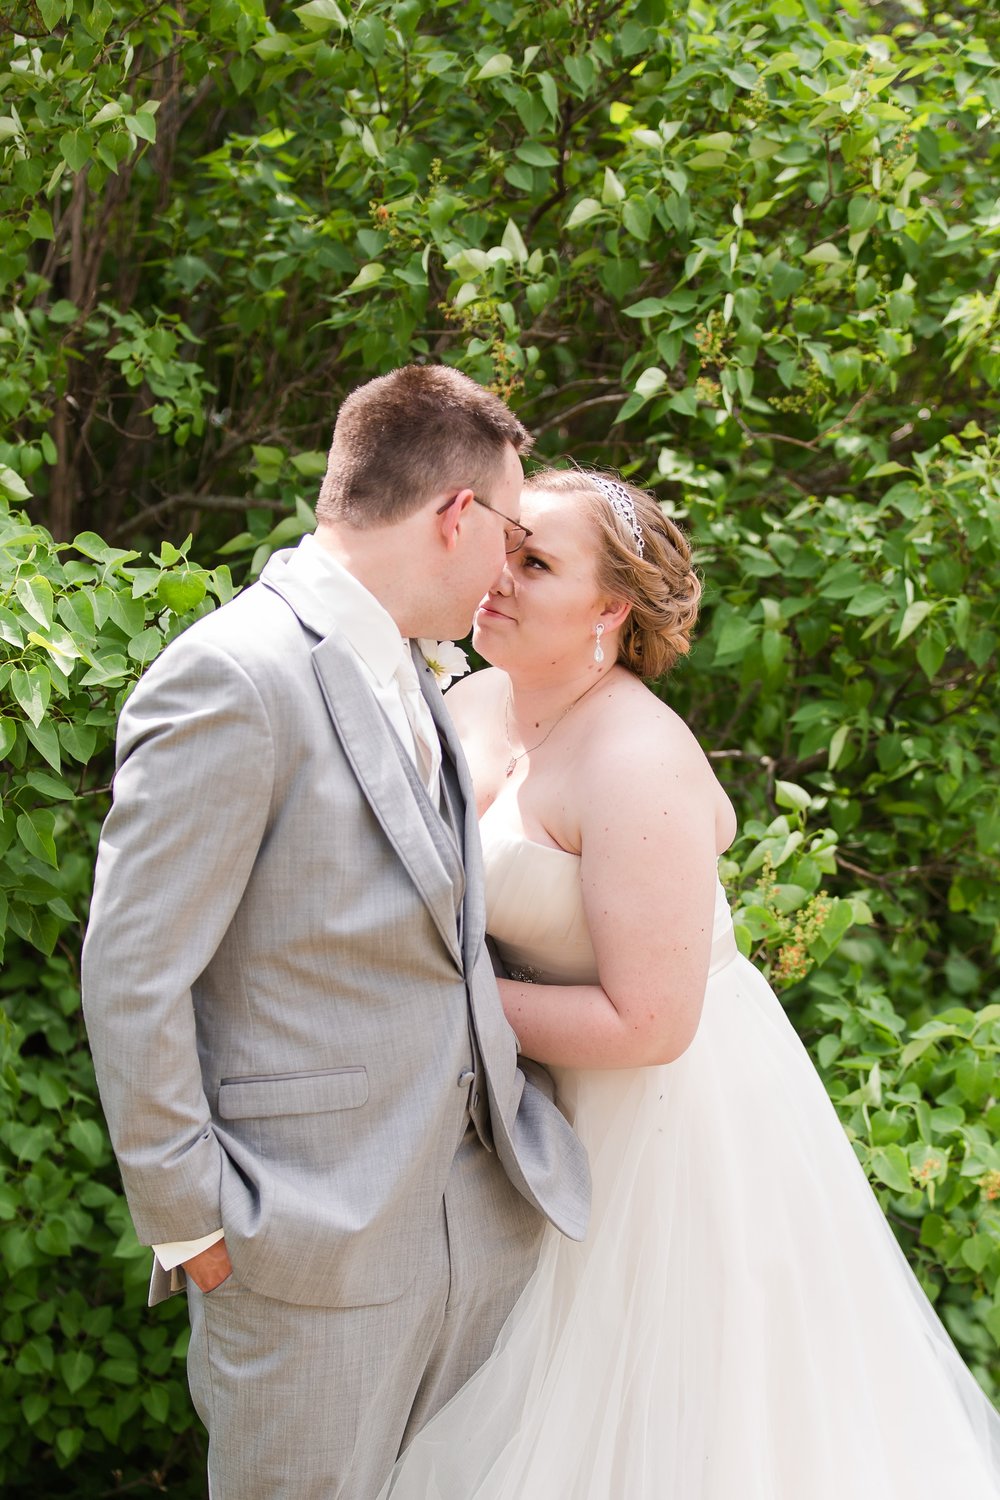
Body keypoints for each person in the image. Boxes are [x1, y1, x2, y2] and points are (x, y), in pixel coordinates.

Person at [378, 467, 1000, 1499]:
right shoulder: (475, 699)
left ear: (611, 610)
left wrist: (435, 1006)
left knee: (657, 1419)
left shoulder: (637, 761)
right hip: (533, 1097)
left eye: (537, 563)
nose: (501, 575)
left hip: (664, 1122)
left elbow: (651, 1020)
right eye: (505, 547)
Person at [80, 368, 590, 1500]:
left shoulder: (418, 669)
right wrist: (192, 1227)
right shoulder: (234, 674)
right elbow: (133, 974)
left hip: (475, 1230)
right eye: (509, 532)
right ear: (456, 517)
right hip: (303, 1248)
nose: (508, 566)